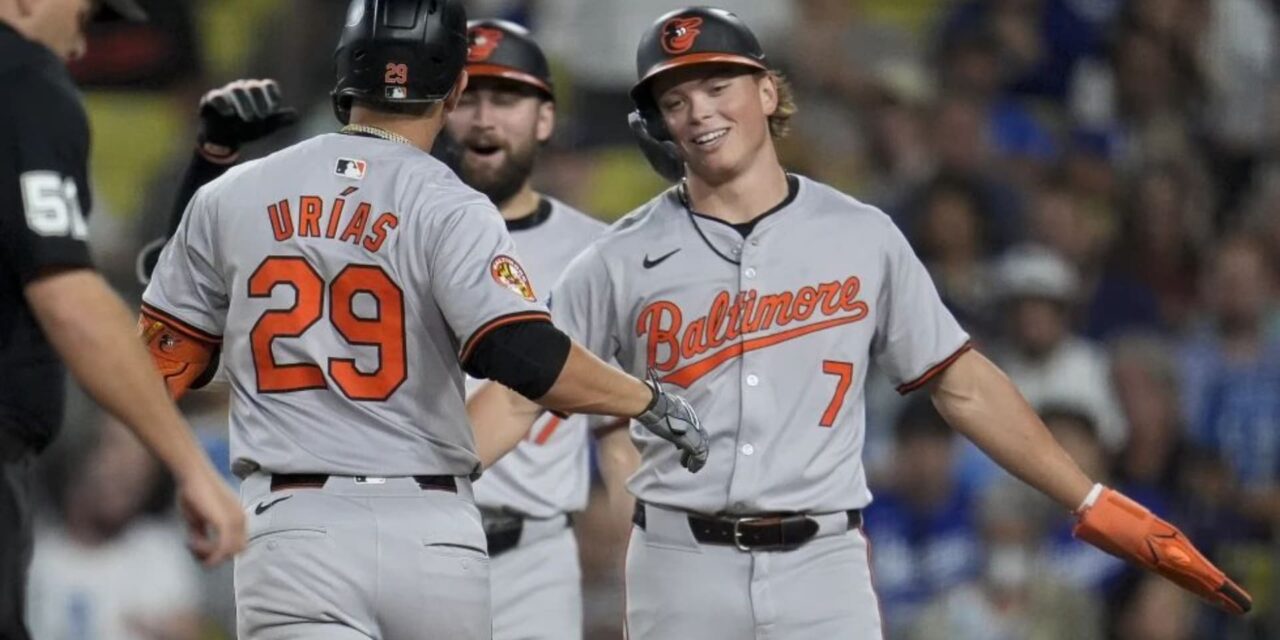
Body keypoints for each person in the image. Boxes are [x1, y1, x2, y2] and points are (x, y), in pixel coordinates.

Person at [537, 7, 1249, 638]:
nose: (698, 111)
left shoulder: (860, 235)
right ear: (655, 124)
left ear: (766, 91)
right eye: (675, 98)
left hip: (823, 567)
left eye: (716, 86)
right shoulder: (619, 257)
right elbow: (523, 375)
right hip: (678, 564)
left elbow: (961, 384)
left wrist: (1091, 499)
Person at [138, 1, 706, 638]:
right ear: (456, 86)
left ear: (344, 73)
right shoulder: (451, 205)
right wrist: (647, 400)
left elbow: (163, 366)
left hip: (292, 524)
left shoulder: (231, 194)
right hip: (428, 525)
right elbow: (522, 353)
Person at [0, 2, 245, 638]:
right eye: (84, 13)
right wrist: (189, 464)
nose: (84, 42)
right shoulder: (23, 80)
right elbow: (68, 295)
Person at [442, 18, 607, 640]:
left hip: (536, 558)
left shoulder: (599, 253)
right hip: (411, 541)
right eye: (465, 98)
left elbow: (619, 434)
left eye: (506, 97)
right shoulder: (387, 235)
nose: (483, 117)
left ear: (545, 119)